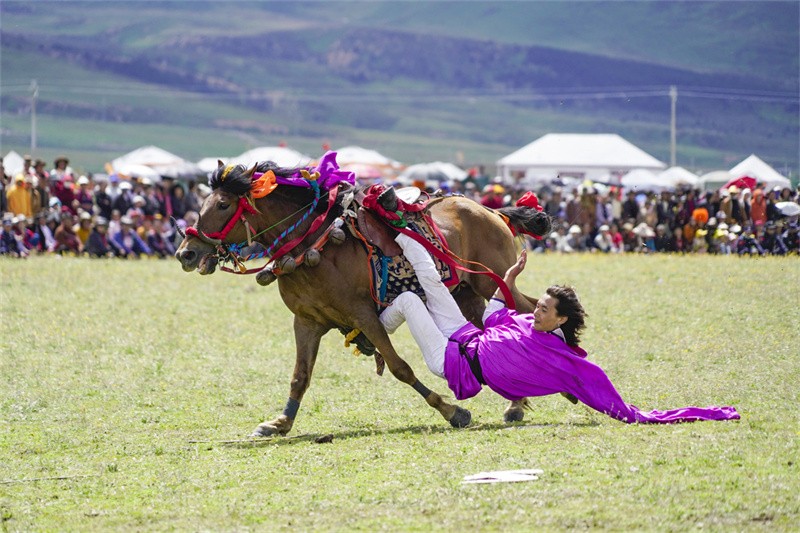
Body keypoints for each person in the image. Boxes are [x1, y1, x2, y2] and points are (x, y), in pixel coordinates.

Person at [379, 232, 739, 425]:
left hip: (452, 363)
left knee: (411, 299)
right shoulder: (525, 323)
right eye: (538, 304)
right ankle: (402, 231)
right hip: (464, 334)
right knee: (433, 282)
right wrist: (510, 278)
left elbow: (600, 390)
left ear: (561, 320)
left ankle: (372, 334)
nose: (535, 309)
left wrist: (633, 414)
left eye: (544, 308)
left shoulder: (563, 360)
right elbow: (492, 317)